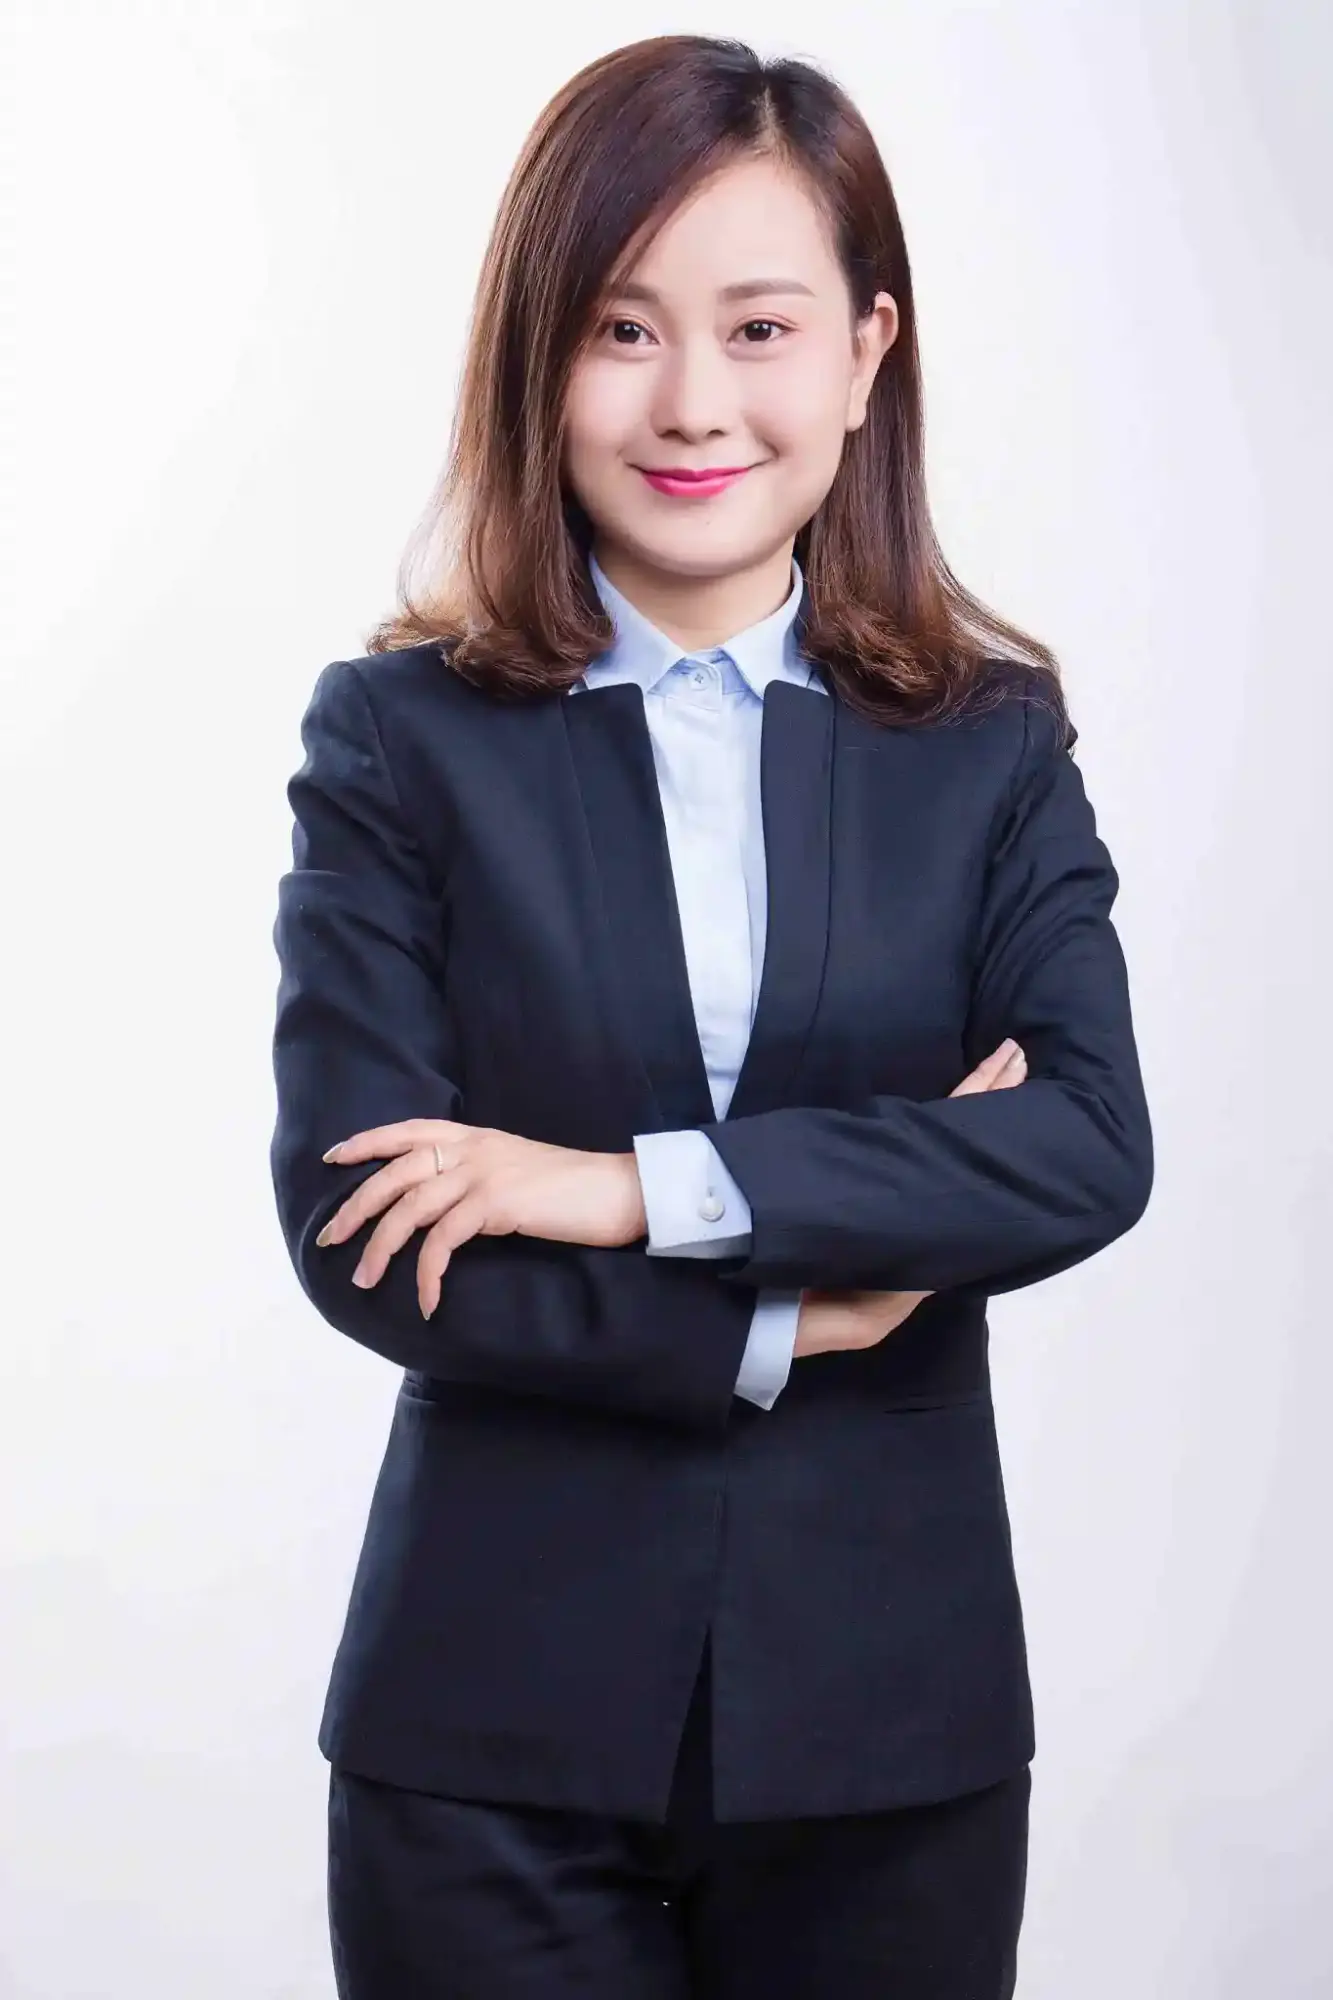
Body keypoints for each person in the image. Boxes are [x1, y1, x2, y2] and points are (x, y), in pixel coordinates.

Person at [269, 32, 1153, 1999]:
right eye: (621, 328)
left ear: (863, 354)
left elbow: (1085, 1145)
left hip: (890, 1727)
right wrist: (795, 1299)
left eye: (760, 328)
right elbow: (365, 1228)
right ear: (540, 361)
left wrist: (612, 1190)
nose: (691, 402)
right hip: (488, 1734)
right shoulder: (400, 742)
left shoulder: (989, 747)